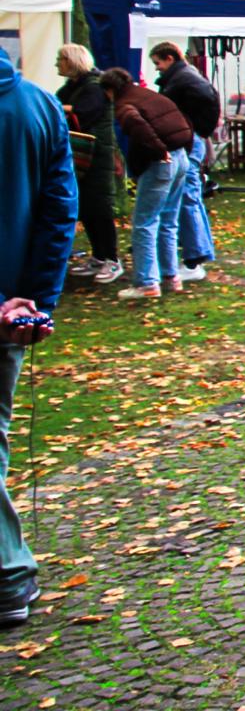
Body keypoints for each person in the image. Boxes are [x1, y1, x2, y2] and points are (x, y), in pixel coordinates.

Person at [0, 46, 77, 628]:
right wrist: (34, 298)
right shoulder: (40, 104)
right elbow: (59, 211)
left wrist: (32, 300)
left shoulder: (37, 105)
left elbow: (59, 207)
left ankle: (8, 574)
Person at [97, 68, 193, 299]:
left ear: (110, 90)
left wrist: (159, 151)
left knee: (144, 223)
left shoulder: (124, 105)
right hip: (181, 157)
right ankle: (171, 275)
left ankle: (147, 282)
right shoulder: (150, 95)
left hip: (161, 162)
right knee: (168, 220)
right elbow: (182, 120)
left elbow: (136, 124)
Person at [149, 42, 219, 282]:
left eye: (158, 63)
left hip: (189, 139)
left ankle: (193, 260)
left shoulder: (183, 79)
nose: (157, 68)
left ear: (169, 58)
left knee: (188, 196)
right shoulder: (186, 76)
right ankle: (198, 253)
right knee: (191, 196)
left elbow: (207, 103)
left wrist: (196, 130)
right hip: (192, 137)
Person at [55, 44, 121, 283]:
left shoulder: (94, 87)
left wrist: (57, 108)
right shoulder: (72, 87)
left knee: (100, 208)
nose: (57, 64)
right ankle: (98, 256)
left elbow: (83, 113)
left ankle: (112, 259)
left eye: (60, 59)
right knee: (86, 208)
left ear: (72, 61)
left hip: (97, 156)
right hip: (80, 155)